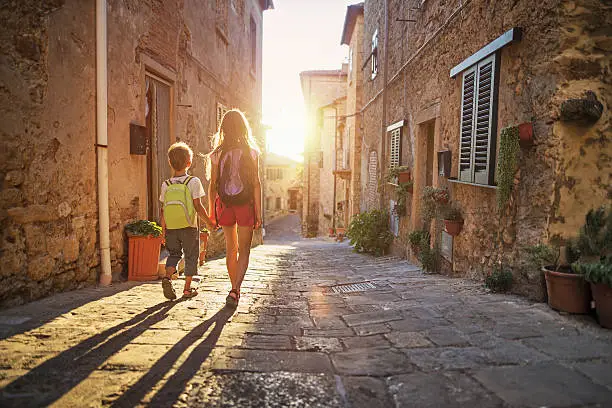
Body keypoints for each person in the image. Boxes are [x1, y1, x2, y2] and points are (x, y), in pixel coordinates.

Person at [207, 109, 262, 307]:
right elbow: (256, 183)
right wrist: (258, 212)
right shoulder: (252, 152)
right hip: (245, 204)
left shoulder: (216, 154)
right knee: (244, 250)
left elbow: (213, 185)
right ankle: (235, 289)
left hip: (225, 205)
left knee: (231, 249)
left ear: (223, 129)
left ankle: (233, 289)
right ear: (243, 128)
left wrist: (212, 213)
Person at [160, 142, 215, 300]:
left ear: (170, 163)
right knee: (191, 256)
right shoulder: (193, 182)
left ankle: (167, 278)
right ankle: (186, 289)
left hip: (171, 227)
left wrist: (164, 230)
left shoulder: (166, 184)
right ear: (189, 163)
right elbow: (198, 206)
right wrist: (208, 222)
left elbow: (163, 210)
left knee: (174, 254)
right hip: (189, 227)